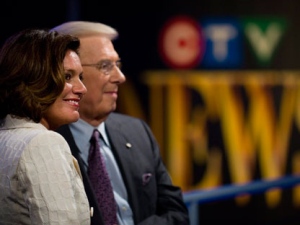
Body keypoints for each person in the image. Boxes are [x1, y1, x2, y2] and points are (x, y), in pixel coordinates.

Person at [52, 21, 190, 225]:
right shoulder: (47, 143)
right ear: (67, 74)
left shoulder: (137, 131)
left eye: (118, 65)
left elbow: (177, 214)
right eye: (105, 66)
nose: (120, 77)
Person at [0, 28, 91, 224]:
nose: (82, 89)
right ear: (35, 79)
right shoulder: (43, 143)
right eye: (67, 77)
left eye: (80, 77)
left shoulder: (5, 137)